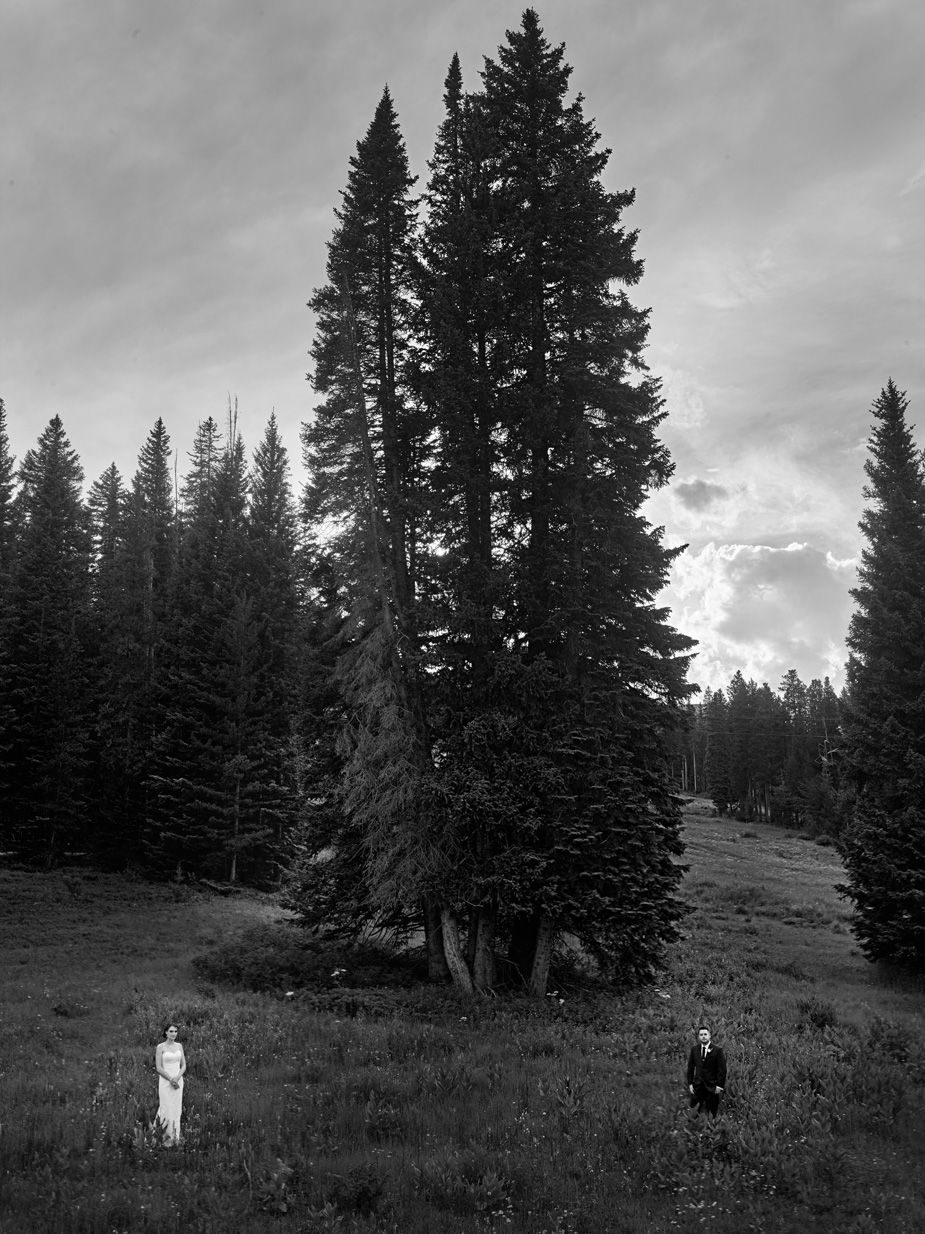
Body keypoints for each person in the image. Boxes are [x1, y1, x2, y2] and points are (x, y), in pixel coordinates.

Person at [155, 1023, 186, 1144]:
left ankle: (175, 1136)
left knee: (176, 1108)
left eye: (176, 1031)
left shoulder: (179, 1046)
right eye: (171, 1031)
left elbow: (183, 1065)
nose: (174, 1034)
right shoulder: (160, 1047)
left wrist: (177, 1077)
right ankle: (164, 1137)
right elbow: (158, 1068)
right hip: (165, 1080)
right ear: (166, 1032)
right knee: (166, 1107)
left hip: (178, 1080)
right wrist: (171, 1079)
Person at [686, 1025, 726, 1117]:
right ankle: (693, 1129)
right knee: (693, 1111)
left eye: (705, 1034)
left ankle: (711, 1130)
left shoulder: (717, 1050)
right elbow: (690, 1067)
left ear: (709, 1035)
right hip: (698, 1086)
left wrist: (719, 1086)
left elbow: (722, 1070)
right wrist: (690, 1083)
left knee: (712, 1113)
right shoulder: (694, 1050)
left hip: (712, 1087)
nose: (703, 1036)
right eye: (701, 1035)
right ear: (698, 1037)